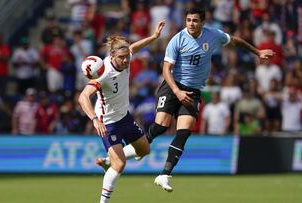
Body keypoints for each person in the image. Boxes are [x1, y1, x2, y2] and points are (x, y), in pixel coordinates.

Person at [145, 8, 275, 192]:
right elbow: (166, 70)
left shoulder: (213, 35)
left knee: (184, 132)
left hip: (193, 90)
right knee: (160, 127)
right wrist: (176, 91)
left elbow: (235, 41)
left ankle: (164, 174)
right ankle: (134, 147)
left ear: (203, 23)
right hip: (173, 85)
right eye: (188, 20)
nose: (191, 23)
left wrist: (257, 52)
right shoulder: (178, 39)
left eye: (195, 20)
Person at [78, 21, 165, 203]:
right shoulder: (104, 73)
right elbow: (83, 97)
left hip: (124, 116)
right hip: (107, 122)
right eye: (122, 57)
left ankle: (108, 161)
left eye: (127, 56)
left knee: (145, 150)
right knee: (120, 164)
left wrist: (154, 37)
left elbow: (134, 47)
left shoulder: (126, 57)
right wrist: (95, 119)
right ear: (112, 56)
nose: (126, 60)